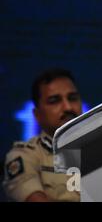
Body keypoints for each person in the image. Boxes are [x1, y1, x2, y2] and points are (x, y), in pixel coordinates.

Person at [3, 68, 82, 202]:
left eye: (72, 98)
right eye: (54, 101)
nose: (68, 107)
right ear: (37, 115)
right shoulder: (25, 155)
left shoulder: (101, 149)